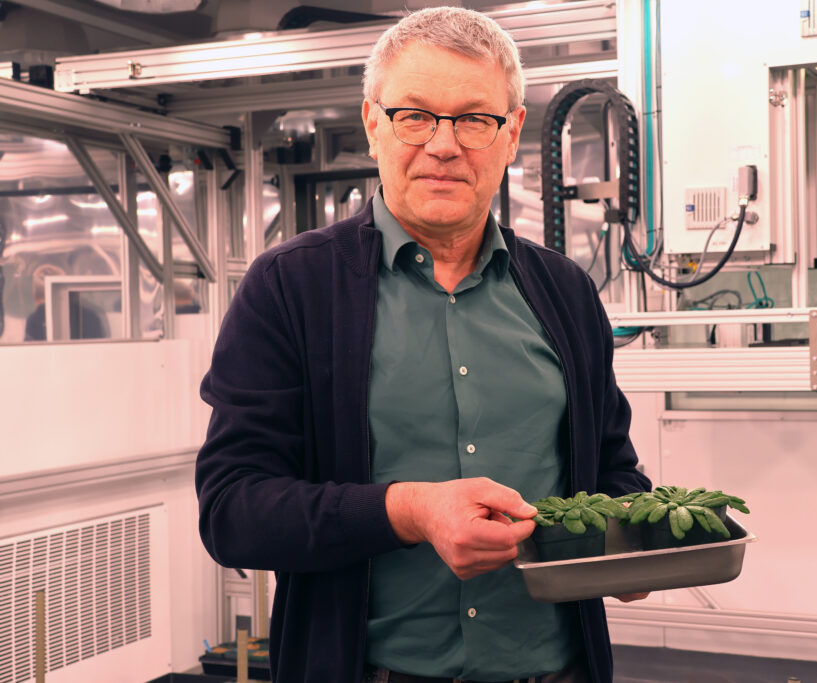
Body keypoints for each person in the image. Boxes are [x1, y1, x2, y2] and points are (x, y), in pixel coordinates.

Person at [195, 7, 650, 683]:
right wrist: (406, 511)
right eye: (415, 115)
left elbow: (613, 472)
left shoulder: (566, 293)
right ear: (373, 122)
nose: (444, 145)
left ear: (512, 131)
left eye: (473, 118)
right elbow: (232, 510)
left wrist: (636, 545)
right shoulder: (291, 287)